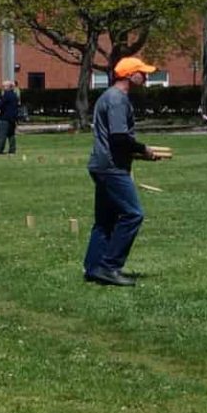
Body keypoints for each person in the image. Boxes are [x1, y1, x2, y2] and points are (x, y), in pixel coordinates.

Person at [85, 56, 171, 286]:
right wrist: (144, 149)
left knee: (105, 220)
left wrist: (140, 154)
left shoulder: (109, 97)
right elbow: (119, 138)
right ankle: (110, 266)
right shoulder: (117, 99)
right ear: (129, 75)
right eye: (142, 72)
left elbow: (115, 141)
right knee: (133, 214)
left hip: (102, 164)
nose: (145, 76)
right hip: (111, 168)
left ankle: (93, 268)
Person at [0, 83, 22, 155]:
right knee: (11, 134)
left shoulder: (6, 95)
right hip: (13, 118)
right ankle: (12, 150)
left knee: (2, 135)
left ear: (8, 87)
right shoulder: (14, 95)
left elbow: (1, 105)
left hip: (5, 117)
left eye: (4, 86)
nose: (3, 87)